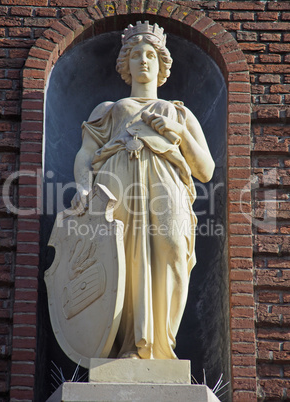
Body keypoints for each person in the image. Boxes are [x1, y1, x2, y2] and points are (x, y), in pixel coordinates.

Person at [71, 21, 215, 360]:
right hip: (116, 186)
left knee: (173, 252)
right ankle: (124, 347)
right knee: (120, 260)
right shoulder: (108, 109)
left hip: (166, 187)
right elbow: (85, 154)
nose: (144, 61)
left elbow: (206, 170)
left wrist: (177, 132)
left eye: (151, 54)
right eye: (136, 55)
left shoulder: (180, 112)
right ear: (126, 64)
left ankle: (160, 347)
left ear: (162, 64)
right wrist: (82, 186)